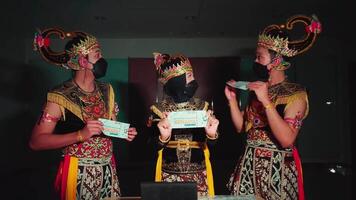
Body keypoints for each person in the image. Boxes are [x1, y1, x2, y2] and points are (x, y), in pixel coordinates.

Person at [29, 28, 137, 200]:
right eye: (97, 55)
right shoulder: (59, 96)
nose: (102, 59)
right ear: (82, 60)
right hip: (77, 172)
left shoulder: (106, 90)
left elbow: (109, 126)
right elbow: (36, 142)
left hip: (108, 169)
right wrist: (81, 134)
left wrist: (124, 132)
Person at [225, 15, 321, 200]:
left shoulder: (296, 94)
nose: (256, 61)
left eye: (259, 57)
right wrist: (231, 100)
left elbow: (287, 140)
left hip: (277, 172)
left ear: (276, 61)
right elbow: (241, 127)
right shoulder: (258, 89)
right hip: (248, 166)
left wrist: (266, 102)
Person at [146, 52, 219, 196]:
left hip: (198, 174)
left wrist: (212, 136)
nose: (194, 80)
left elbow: (215, 147)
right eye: (190, 76)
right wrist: (163, 138)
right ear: (177, 81)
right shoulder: (159, 110)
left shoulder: (203, 107)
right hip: (169, 176)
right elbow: (148, 146)